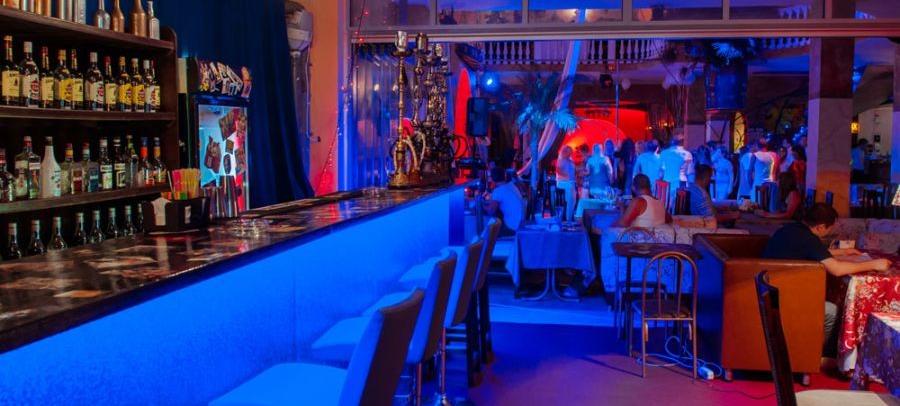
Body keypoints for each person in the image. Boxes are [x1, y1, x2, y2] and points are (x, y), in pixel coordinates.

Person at [762, 203, 892, 356]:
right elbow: (837, 269)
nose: (831, 231)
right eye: (830, 228)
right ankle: (817, 355)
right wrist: (874, 264)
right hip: (782, 300)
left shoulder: (791, 229)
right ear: (821, 227)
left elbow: (811, 251)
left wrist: (843, 252)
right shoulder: (808, 239)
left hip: (767, 292)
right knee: (833, 312)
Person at [659, 137, 694, 206]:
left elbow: (661, 171)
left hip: (668, 182)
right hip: (682, 183)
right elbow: (690, 173)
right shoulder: (688, 154)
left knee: (667, 206)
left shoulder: (664, 153)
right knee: (680, 206)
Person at [750, 139, 777, 203]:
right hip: (771, 184)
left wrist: (751, 186)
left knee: (756, 204)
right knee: (768, 204)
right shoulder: (773, 155)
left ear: (757, 146)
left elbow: (749, 173)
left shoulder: (755, 155)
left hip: (758, 184)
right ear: (766, 145)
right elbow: (776, 170)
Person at [556, 146, 577, 222]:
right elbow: (558, 170)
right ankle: (568, 219)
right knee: (570, 199)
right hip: (564, 183)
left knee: (572, 200)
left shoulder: (570, 160)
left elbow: (573, 171)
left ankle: (570, 217)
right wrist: (567, 177)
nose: (570, 153)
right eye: (569, 151)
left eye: (571, 151)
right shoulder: (561, 160)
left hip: (570, 182)